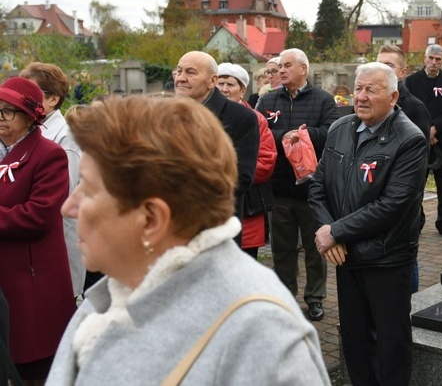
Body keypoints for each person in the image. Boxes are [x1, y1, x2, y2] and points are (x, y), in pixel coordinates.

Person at [46, 96, 330, 385]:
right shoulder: (111, 294)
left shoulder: (261, 334)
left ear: (152, 219)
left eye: (88, 189)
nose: (69, 207)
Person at [310, 62, 428, 386]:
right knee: (354, 339)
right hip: (347, 256)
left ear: (393, 97)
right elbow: (318, 186)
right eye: (357, 88)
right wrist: (328, 231)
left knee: (391, 342)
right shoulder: (340, 129)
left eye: (370, 90)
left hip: (386, 259)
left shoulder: (410, 140)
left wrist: (336, 232)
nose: (360, 96)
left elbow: (393, 205)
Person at [0, 77, 74, 382]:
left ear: (31, 116)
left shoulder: (48, 154)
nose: (0, 118)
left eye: (8, 111)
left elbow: (39, 215)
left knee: (32, 367)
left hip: (30, 279)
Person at [256, 48, 338, 321]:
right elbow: (260, 132)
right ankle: (285, 297)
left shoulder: (324, 100)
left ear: (303, 68)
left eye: (287, 65)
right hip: (279, 188)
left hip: (312, 191)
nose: (281, 70)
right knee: (283, 249)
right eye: (279, 66)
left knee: (316, 248)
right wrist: (284, 136)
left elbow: (331, 133)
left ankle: (315, 298)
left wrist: (302, 136)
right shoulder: (268, 100)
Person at [173, 52, 259, 233]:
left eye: (190, 72)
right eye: (179, 71)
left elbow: (241, 177)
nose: (180, 78)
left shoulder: (240, 117)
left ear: (212, 81)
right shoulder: (164, 113)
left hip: (214, 226)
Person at [19, 62, 85, 299]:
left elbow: (60, 194)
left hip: (57, 245)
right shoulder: (19, 132)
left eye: (30, 94)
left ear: (53, 99)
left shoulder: (66, 136)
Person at [377, 45, 430, 292]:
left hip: (404, 201)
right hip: (374, 197)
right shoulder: (371, 103)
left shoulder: (415, 108)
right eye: (378, 65)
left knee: (406, 261)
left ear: (402, 72)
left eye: (388, 66)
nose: (381, 71)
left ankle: (409, 306)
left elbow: (419, 162)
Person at [217, 63, 277, 259]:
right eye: (220, 83)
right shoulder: (205, 115)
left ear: (242, 90)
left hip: (247, 206)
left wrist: (223, 173)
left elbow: (266, 161)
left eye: (230, 84)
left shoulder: (256, 119)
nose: (224, 89)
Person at [405, 44, 442, 239]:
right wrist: (424, 129)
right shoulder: (411, 82)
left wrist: (435, 128)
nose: (434, 62)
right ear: (425, 58)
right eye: (431, 58)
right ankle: (415, 221)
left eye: (438, 59)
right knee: (415, 183)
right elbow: (407, 109)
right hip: (417, 139)